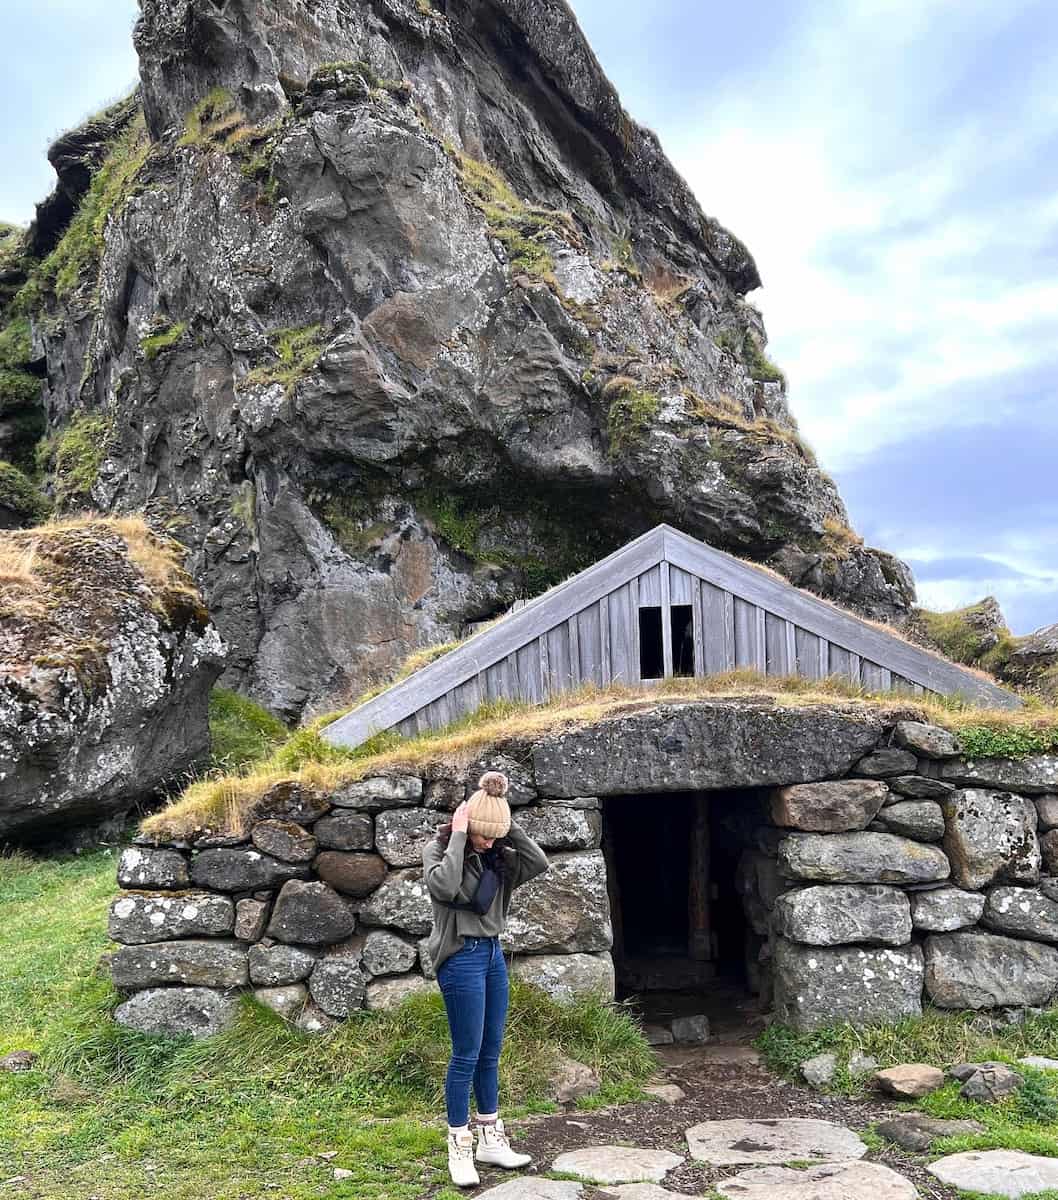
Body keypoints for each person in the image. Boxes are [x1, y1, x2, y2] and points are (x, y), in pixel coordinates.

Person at [422, 770, 550, 1188]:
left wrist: (504, 821)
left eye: (494, 837)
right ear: (468, 826)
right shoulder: (439, 851)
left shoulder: (502, 855)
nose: (489, 844)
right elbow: (444, 885)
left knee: (491, 1049)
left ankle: (490, 1137)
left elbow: (539, 861)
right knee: (466, 1053)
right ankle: (458, 1144)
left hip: (492, 954)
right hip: (460, 957)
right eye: (484, 835)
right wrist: (461, 835)